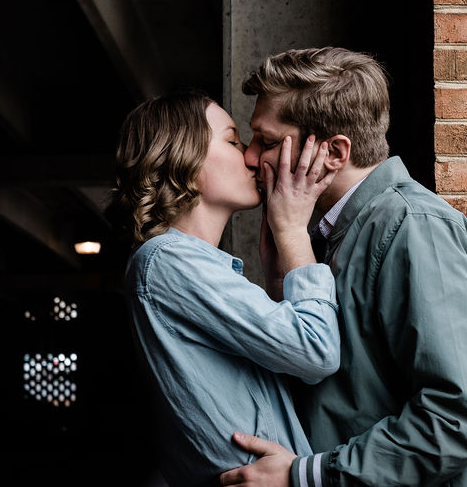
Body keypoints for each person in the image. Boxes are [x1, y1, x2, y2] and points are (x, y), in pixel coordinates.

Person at [219, 48, 467, 487]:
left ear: (335, 152)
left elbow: (460, 416)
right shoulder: (330, 235)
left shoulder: (414, 227)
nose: (250, 157)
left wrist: (308, 475)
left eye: (266, 141)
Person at [112, 90, 340, 487]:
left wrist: (275, 285)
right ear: (183, 158)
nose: (251, 156)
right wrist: (293, 231)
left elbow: (275, 382)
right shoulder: (166, 260)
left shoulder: (190, 267)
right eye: (233, 141)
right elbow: (316, 350)